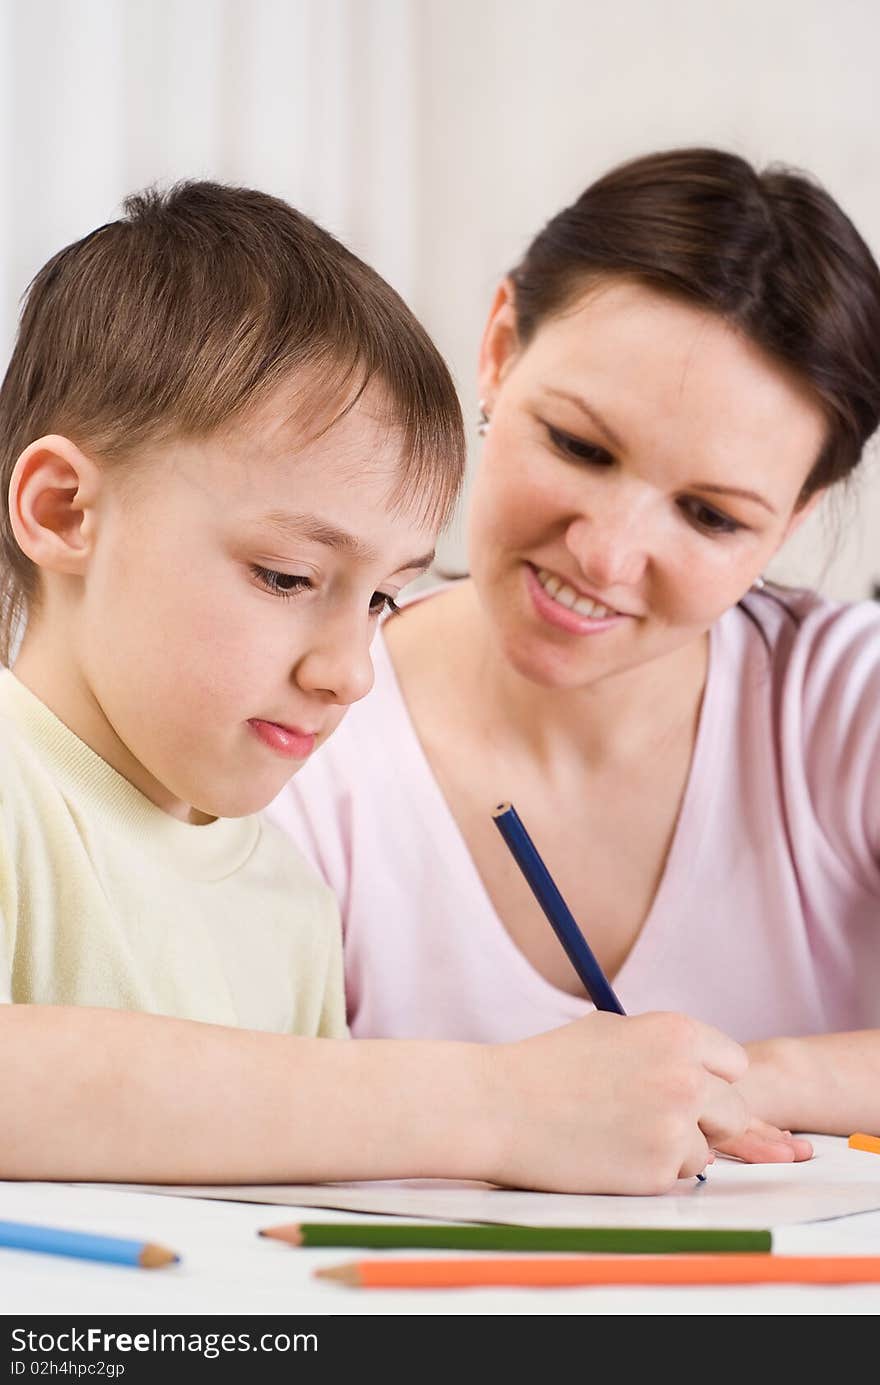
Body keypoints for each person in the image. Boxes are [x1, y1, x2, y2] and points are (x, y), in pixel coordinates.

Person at [0, 179, 757, 1196]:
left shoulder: (289, 898)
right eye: (287, 577)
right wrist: (497, 1103)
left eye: (380, 603)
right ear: (61, 509)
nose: (349, 672)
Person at [269, 147, 880, 1148]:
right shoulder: (301, 721)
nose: (607, 553)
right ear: (501, 348)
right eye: (580, 447)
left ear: (794, 517)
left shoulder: (840, 701)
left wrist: (733, 1077)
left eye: (710, 514)